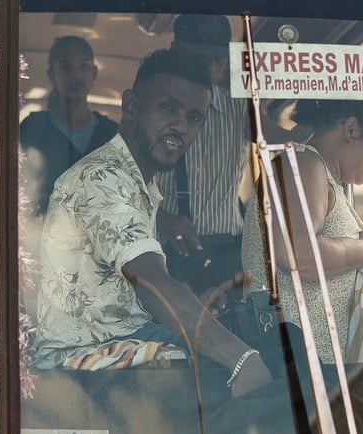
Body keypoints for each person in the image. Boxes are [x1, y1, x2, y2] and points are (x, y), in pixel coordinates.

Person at [33, 48, 272, 398]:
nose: (181, 127)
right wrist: (242, 360)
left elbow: (128, 294)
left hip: (124, 346)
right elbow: (150, 280)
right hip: (81, 365)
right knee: (258, 376)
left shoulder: (141, 184)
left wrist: (195, 304)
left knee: (273, 349)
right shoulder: (102, 178)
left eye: (194, 117)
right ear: (131, 105)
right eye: (168, 108)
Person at [155, 15, 308, 295]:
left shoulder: (238, 108)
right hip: (167, 255)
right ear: (175, 50)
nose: (214, 68)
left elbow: (285, 142)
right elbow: (125, 186)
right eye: (202, 59)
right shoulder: (152, 109)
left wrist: (318, 109)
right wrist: (162, 219)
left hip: (226, 255)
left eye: (221, 59)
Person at [241, 99, 363, 362]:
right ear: (351, 129)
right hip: (298, 368)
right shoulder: (302, 162)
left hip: (315, 367)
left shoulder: (321, 174)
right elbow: (298, 254)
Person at [21, 36, 118, 217]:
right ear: (52, 75)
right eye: (66, 67)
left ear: (94, 74)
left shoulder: (111, 134)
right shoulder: (33, 127)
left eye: (84, 66)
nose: (76, 75)